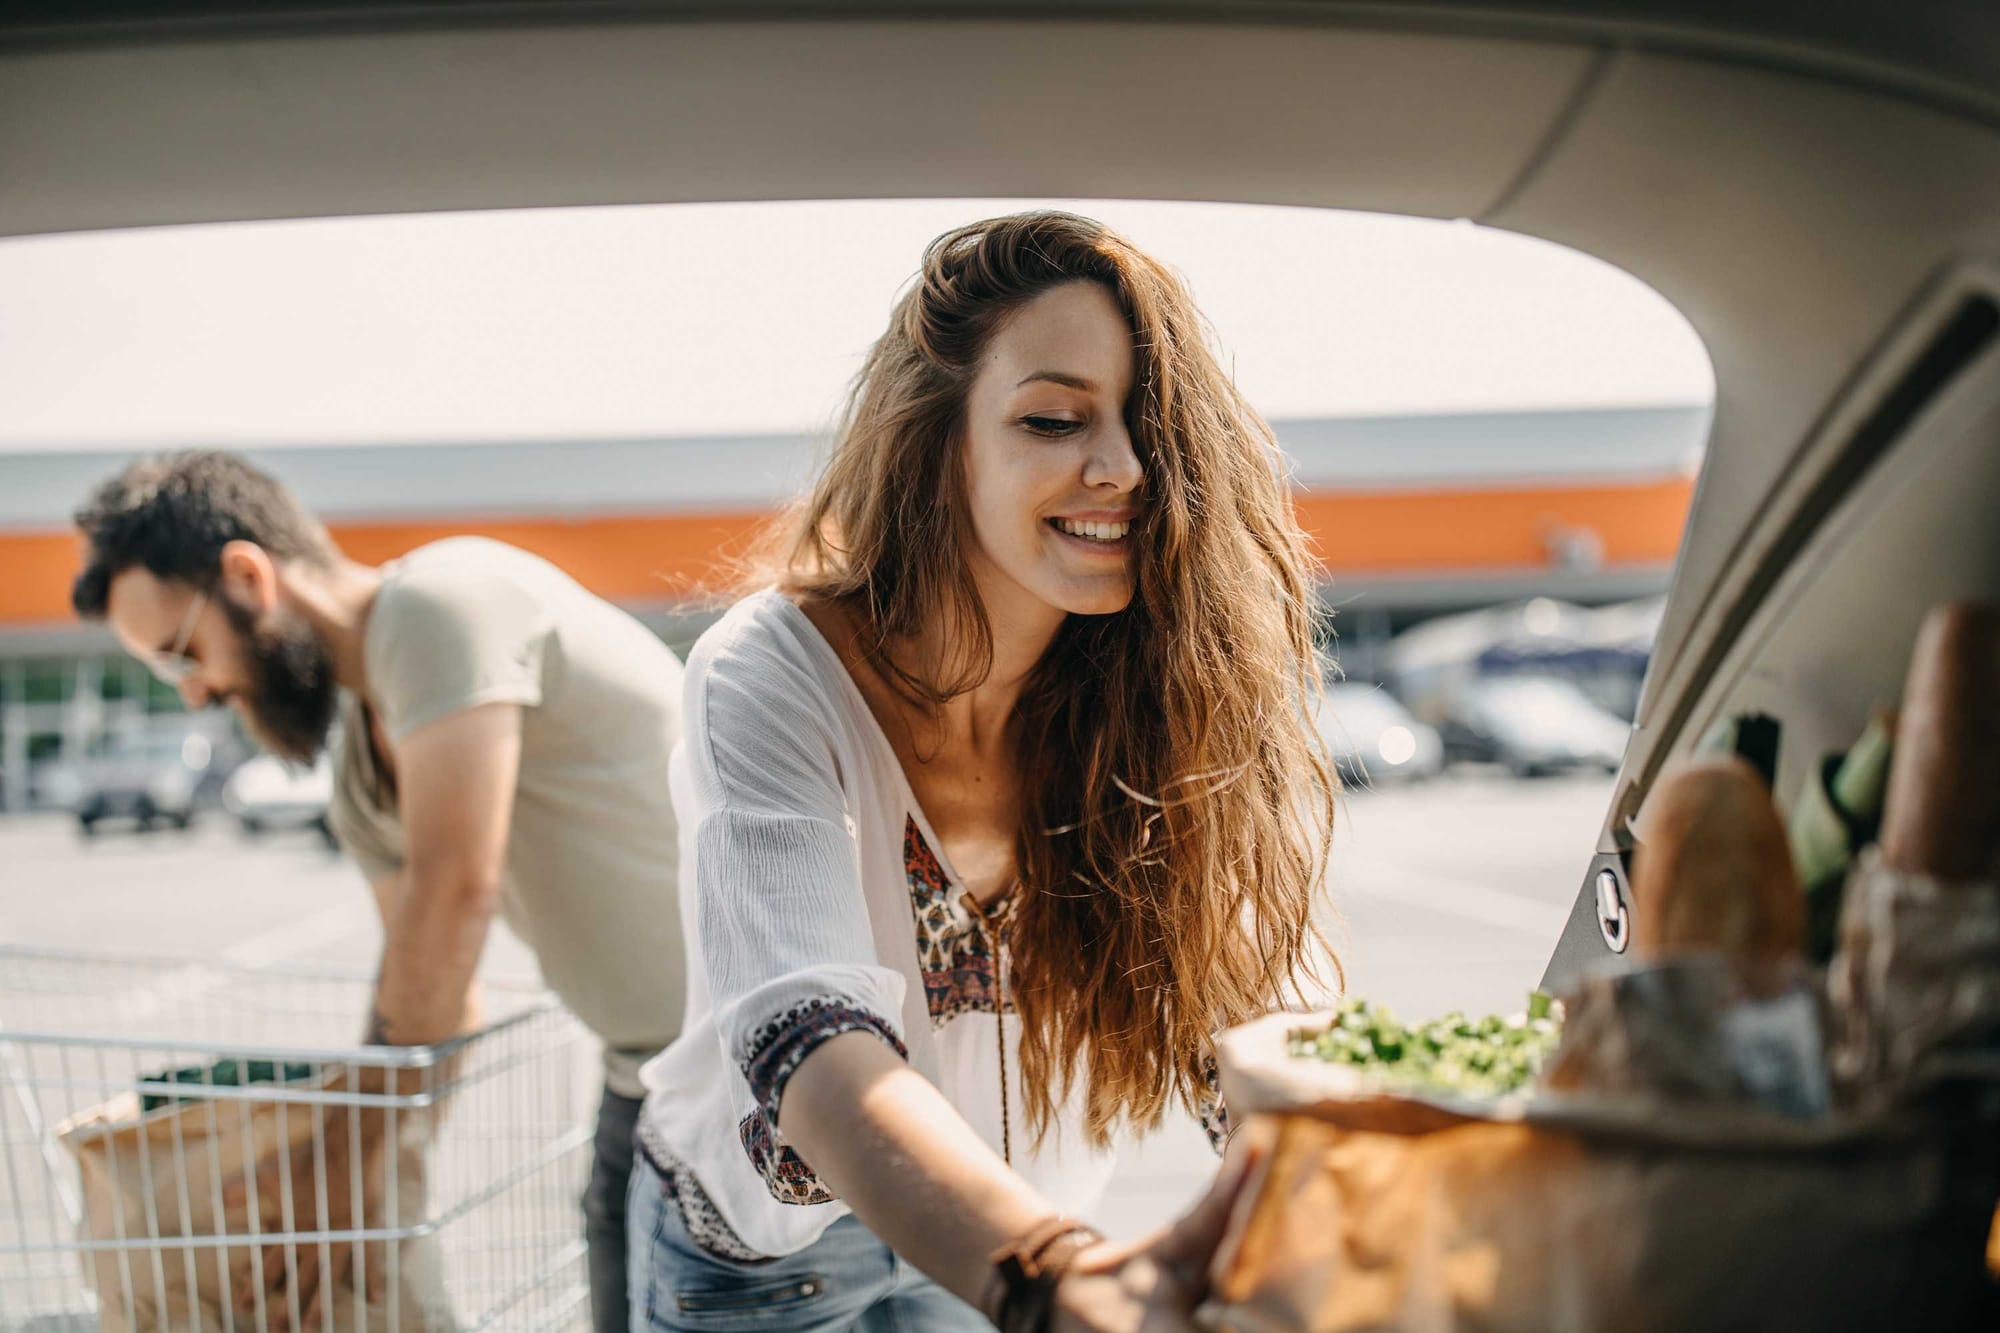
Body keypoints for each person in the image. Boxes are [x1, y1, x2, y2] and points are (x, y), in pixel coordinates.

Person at [627, 211, 1338, 1331]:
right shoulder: (769, 671)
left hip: (1013, 1239)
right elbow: (807, 1048)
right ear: (939, 439)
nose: (1123, 468)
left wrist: (1365, 1192)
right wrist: (1055, 1275)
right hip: (770, 1267)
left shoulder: (1158, 696)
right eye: (1053, 418)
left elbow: (1249, 1021)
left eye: (1148, 427)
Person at [71, 453, 687, 1333]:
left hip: (771, 1077)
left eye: (182, 656)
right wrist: (363, 1210)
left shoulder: (439, 606)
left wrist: (337, 1170)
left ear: (249, 575)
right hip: (646, 1091)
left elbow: (453, 898)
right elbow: (438, 997)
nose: (199, 692)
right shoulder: (362, 785)